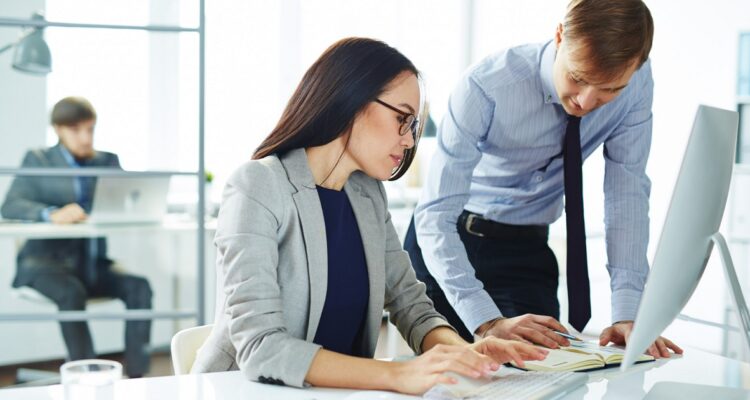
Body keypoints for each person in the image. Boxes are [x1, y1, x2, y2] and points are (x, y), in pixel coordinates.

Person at [191, 37, 547, 395]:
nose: (409, 141)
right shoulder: (258, 185)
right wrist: (397, 376)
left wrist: (467, 353)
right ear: (353, 100)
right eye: (402, 119)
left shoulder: (368, 194)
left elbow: (412, 306)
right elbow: (261, 348)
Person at [404, 0, 683, 359]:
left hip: (526, 248)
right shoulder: (485, 86)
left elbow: (626, 191)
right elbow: (435, 214)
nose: (586, 101)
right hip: (450, 242)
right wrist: (486, 321)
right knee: (450, 376)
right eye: (578, 78)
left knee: (547, 373)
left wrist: (628, 313)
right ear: (559, 36)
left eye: (609, 90)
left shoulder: (636, 87)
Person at [1, 96, 152, 378]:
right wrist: (50, 213)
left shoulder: (107, 161)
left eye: (90, 129)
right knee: (71, 292)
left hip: (91, 263)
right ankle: (88, 378)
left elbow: (129, 200)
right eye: (77, 130)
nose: (85, 138)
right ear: (58, 129)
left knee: (139, 287)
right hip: (44, 265)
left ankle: (136, 379)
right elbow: (10, 205)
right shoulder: (38, 159)